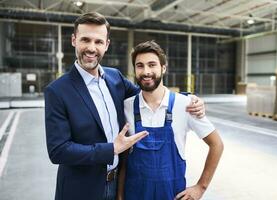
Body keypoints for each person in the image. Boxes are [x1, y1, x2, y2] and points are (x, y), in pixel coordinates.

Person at [44, 13, 206, 200]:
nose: (91, 48)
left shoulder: (115, 79)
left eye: (98, 42)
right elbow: (58, 151)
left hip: (117, 186)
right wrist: (111, 149)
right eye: (85, 40)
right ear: (74, 40)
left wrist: (187, 99)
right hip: (82, 190)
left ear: (106, 45)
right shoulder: (57, 91)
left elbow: (148, 92)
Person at [118, 41, 224, 200]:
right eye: (140, 66)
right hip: (135, 193)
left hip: (172, 194)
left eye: (152, 64)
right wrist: (120, 195)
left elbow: (216, 144)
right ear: (135, 70)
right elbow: (124, 158)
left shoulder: (185, 105)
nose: (146, 71)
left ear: (163, 68)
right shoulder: (126, 106)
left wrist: (200, 187)